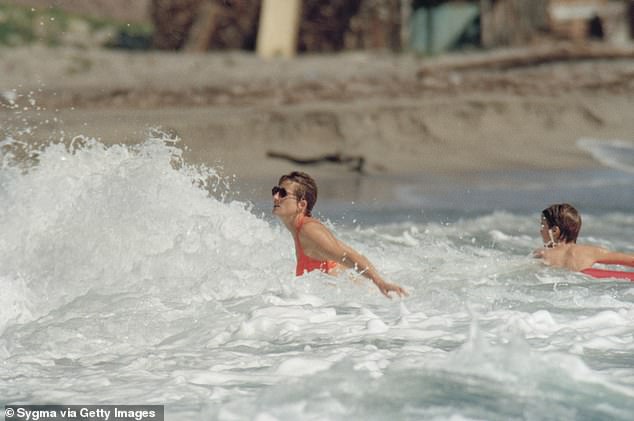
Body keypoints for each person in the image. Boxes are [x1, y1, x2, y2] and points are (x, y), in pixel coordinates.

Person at [272, 171, 407, 298]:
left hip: (356, 303)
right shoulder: (303, 230)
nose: (275, 197)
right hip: (348, 303)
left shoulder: (309, 231)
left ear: (301, 204)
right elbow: (350, 252)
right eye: (276, 191)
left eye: (283, 193)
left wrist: (379, 282)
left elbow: (347, 256)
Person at [533, 203, 634, 279]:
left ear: (554, 231)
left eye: (543, 225)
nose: (541, 230)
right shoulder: (590, 252)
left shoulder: (542, 254)